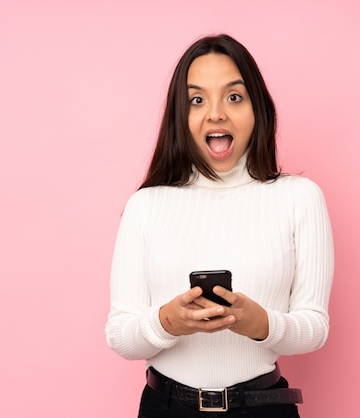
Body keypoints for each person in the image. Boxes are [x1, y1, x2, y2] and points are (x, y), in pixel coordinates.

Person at [105, 34, 334, 418]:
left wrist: (261, 324)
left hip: (262, 408)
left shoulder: (300, 198)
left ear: (257, 108)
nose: (216, 114)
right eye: (197, 99)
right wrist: (166, 323)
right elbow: (119, 336)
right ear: (181, 115)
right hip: (166, 408)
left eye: (233, 96)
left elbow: (314, 327)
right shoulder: (145, 205)